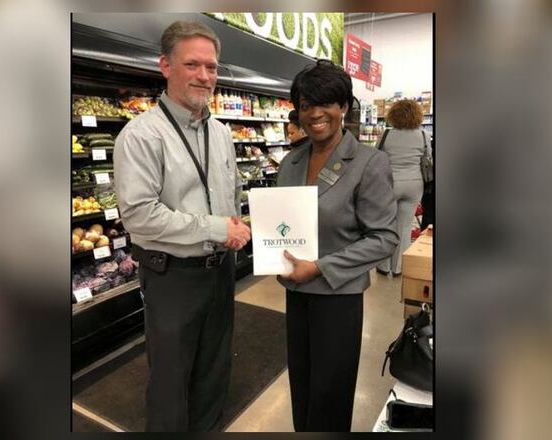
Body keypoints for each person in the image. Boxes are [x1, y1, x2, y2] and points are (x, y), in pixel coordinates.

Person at [114, 20, 251, 432]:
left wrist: (237, 221)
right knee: (171, 380)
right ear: (165, 66)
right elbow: (138, 215)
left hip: (220, 272)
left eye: (212, 67)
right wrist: (215, 227)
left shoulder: (223, 133)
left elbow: (231, 194)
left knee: (214, 371)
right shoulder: (141, 136)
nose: (205, 76)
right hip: (172, 276)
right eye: (192, 65)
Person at [276, 60, 399, 432]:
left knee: (331, 390)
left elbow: (385, 237)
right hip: (296, 292)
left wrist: (321, 266)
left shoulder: (368, 162)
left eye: (326, 103)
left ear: (343, 106)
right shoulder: (292, 160)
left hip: (337, 296)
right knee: (302, 382)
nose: (315, 113)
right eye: (306, 104)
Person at [374, 99, 432, 277]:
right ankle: (398, 268)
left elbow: (377, 159)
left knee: (385, 225)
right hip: (414, 185)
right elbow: (427, 160)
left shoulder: (386, 135)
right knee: (405, 227)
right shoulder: (422, 135)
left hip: (390, 184)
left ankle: (383, 266)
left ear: (393, 115)